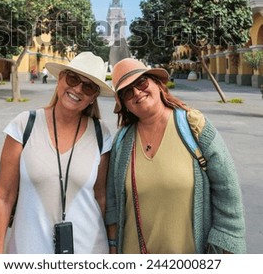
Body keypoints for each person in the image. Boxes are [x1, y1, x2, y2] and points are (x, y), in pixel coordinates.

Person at [105, 58, 246, 254]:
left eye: (141, 83)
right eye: (127, 92)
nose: (137, 92)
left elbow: (227, 188)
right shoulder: (122, 140)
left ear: (157, 84)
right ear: (124, 104)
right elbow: (112, 199)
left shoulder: (193, 125)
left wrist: (227, 241)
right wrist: (112, 246)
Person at [0, 52, 115, 254]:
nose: (77, 89)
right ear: (60, 79)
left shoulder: (101, 133)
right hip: (29, 250)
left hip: (89, 251)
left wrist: (113, 250)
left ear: (93, 98)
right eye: (73, 79)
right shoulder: (24, 125)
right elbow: (4, 197)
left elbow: (101, 197)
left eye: (88, 86)